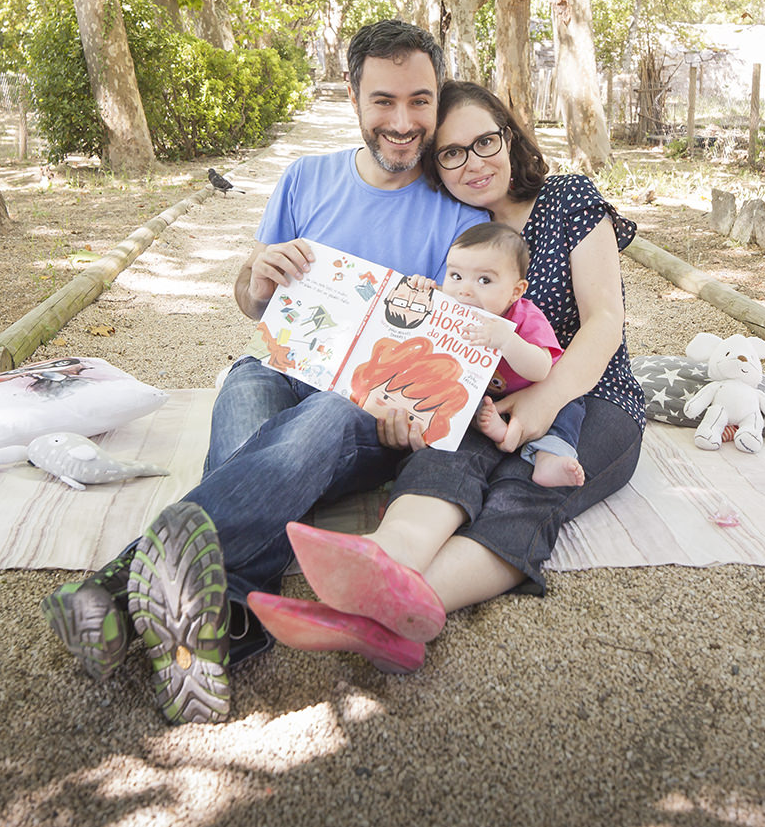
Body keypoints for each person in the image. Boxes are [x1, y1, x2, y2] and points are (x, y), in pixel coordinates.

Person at [39, 21, 485, 724]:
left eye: (420, 101)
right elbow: (252, 305)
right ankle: (207, 632)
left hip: (363, 411)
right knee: (248, 407)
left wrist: (411, 417)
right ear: (353, 95)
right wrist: (256, 273)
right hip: (275, 370)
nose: (403, 122)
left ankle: (112, 587)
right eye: (384, 101)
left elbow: (450, 352)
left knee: (327, 417)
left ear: (437, 99)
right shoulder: (306, 177)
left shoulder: (459, 213)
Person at [246, 79, 646, 674]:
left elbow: (606, 322)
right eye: (452, 153)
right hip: (484, 399)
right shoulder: (453, 229)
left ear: (510, 135)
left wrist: (548, 397)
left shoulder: (569, 200)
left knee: (524, 490)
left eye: (485, 141)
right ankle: (382, 560)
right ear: (436, 167)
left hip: (586, 399)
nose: (474, 163)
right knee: (444, 458)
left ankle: (399, 612)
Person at [442, 221, 587, 489]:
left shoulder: (526, 316)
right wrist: (418, 288)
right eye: (455, 276)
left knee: (570, 408)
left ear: (516, 291)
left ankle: (550, 457)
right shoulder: (454, 310)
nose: (464, 290)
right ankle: (497, 430)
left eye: (484, 280)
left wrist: (508, 341)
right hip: (490, 396)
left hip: (534, 390)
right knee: (460, 398)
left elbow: (541, 368)